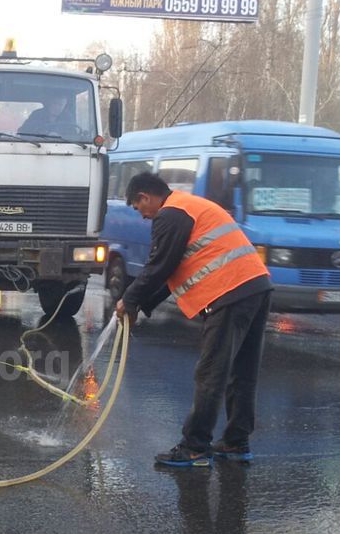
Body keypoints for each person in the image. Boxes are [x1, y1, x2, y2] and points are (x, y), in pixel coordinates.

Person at [115, 171, 273, 468]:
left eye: (139, 209)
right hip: (256, 287)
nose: (143, 217)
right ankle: (236, 442)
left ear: (145, 197)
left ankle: (195, 447)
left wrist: (130, 300)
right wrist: (139, 305)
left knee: (211, 372)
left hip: (230, 292)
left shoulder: (171, 214)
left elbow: (159, 265)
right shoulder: (190, 207)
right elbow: (170, 271)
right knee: (242, 371)